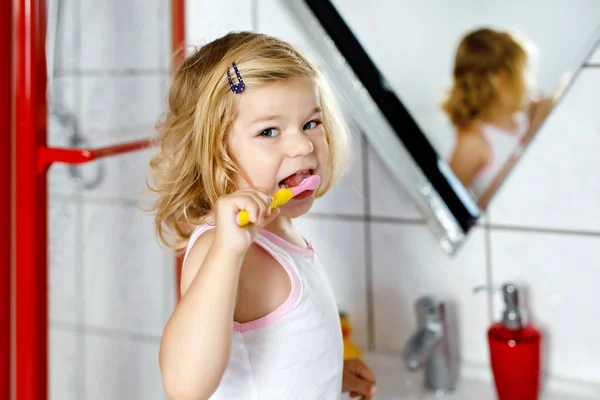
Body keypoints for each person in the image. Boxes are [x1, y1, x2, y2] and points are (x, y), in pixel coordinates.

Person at [148, 31, 377, 399]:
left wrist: (330, 375)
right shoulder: (221, 246)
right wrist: (227, 251)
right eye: (269, 131)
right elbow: (183, 387)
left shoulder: (280, 231)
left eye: (311, 123)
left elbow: (277, 356)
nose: (303, 144)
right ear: (216, 154)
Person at [442, 28, 558, 208]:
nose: (532, 82)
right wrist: (531, 136)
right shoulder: (473, 143)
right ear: (500, 80)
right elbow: (457, 208)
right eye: (525, 73)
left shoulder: (521, 122)